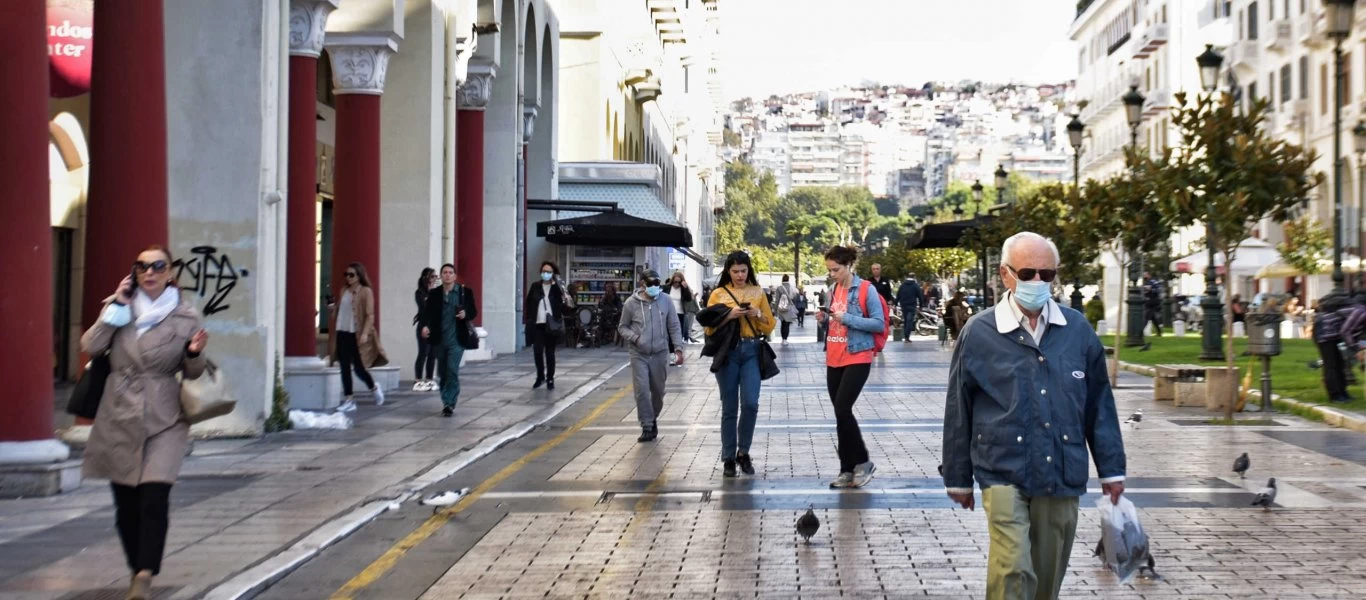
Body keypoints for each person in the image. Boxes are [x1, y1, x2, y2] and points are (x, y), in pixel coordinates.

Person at [942, 232, 1127, 600]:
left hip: (1061, 469)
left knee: (1045, 579)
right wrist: (958, 477)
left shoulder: (1077, 330)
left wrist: (1112, 469)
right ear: (1005, 275)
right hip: (1001, 469)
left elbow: (1098, 404)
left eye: (1048, 274)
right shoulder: (979, 332)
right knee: (1013, 568)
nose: (1038, 282)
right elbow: (958, 407)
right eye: (1028, 273)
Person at [81, 246, 211, 600]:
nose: (149, 272)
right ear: (134, 273)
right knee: (126, 504)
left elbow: (194, 371)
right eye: (142, 266)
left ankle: (144, 575)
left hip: (164, 415)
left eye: (157, 266)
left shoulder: (185, 317)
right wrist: (116, 307)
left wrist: (194, 354)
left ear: (170, 273)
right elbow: (90, 346)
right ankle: (135, 564)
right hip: (118, 412)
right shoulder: (118, 307)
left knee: (154, 496)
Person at [816, 246, 885, 489]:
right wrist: (824, 318)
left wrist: (846, 319)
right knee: (839, 414)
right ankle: (847, 469)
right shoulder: (833, 289)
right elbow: (834, 318)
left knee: (843, 408)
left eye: (836, 269)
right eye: (829, 270)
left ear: (849, 266)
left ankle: (863, 462)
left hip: (857, 355)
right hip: (834, 356)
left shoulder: (866, 289)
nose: (832, 274)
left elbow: (878, 323)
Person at [705, 251, 775, 478]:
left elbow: (770, 325)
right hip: (728, 352)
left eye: (743, 270)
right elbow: (708, 327)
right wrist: (730, 315)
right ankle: (728, 457)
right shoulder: (718, 294)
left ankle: (743, 452)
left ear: (749, 270)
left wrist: (757, 314)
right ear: (728, 271)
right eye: (735, 271)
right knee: (729, 407)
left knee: (751, 403)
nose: (739, 275)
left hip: (752, 350)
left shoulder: (757, 292)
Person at [618, 270, 686, 442]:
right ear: (642, 284)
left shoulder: (666, 301)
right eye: (650, 284)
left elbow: (674, 326)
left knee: (658, 391)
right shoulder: (630, 304)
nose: (655, 287)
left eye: (657, 284)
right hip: (638, 353)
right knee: (641, 390)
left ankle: (652, 417)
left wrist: (678, 349)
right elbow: (622, 327)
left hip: (660, 352)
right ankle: (647, 425)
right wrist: (635, 338)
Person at [328, 262, 388, 412]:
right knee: (344, 367)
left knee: (359, 368)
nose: (348, 278)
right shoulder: (344, 291)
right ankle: (349, 399)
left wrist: (365, 333)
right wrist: (331, 308)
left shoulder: (366, 291)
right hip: (342, 332)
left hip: (356, 333)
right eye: (346, 275)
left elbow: (370, 315)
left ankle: (374, 387)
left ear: (359, 276)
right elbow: (339, 312)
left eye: (351, 275)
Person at [421, 264, 478, 417]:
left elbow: (473, 311)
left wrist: (466, 314)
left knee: (452, 369)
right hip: (440, 338)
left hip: (457, 339)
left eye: (450, 272)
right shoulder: (435, 294)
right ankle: (445, 398)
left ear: (455, 276)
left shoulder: (464, 292)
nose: (447, 275)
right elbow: (427, 313)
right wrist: (425, 326)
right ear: (441, 276)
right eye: (444, 272)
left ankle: (449, 402)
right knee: (442, 372)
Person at [524, 261, 569, 390]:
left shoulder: (557, 289)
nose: (546, 274)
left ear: (553, 273)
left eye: (549, 272)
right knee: (537, 351)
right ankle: (540, 376)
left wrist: (562, 293)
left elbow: (564, 307)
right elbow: (528, 303)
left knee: (550, 353)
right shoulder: (535, 286)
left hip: (552, 325)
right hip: (538, 324)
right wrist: (529, 319)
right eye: (544, 271)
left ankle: (550, 378)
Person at [1313, 294, 1354, 403]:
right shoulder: (1352, 309)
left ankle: (1341, 392)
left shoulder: (1349, 307)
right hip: (1326, 337)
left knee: (1339, 365)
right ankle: (1335, 395)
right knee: (1331, 366)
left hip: (1330, 335)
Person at [412, 268, 440, 391]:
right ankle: (418, 379)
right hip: (424, 325)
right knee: (423, 352)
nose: (435, 279)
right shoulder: (420, 293)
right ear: (426, 278)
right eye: (433, 276)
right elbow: (424, 309)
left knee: (433, 354)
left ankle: (429, 379)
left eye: (436, 276)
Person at [664, 272, 698, 344]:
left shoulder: (683, 289)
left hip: (680, 313)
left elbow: (689, 299)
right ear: (672, 280)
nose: (677, 284)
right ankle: (670, 347)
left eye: (679, 282)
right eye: (675, 282)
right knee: (668, 331)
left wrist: (685, 288)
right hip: (668, 313)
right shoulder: (667, 288)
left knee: (678, 332)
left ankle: (676, 347)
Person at [896, 275, 926, 343]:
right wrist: (921, 305)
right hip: (912, 306)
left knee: (906, 320)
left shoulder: (902, 285)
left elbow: (898, 295)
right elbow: (920, 296)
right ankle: (907, 337)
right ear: (914, 278)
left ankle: (906, 336)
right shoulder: (915, 286)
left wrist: (896, 303)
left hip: (903, 305)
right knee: (909, 321)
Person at [773, 274, 800, 343]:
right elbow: (796, 297)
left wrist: (775, 310)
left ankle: (782, 339)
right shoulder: (792, 288)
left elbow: (777, 300)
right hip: (789, 308)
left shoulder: (779, 288)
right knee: (787, 324)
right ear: (788, 279)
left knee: (783, 323)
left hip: (781, 308)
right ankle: (785, 339)